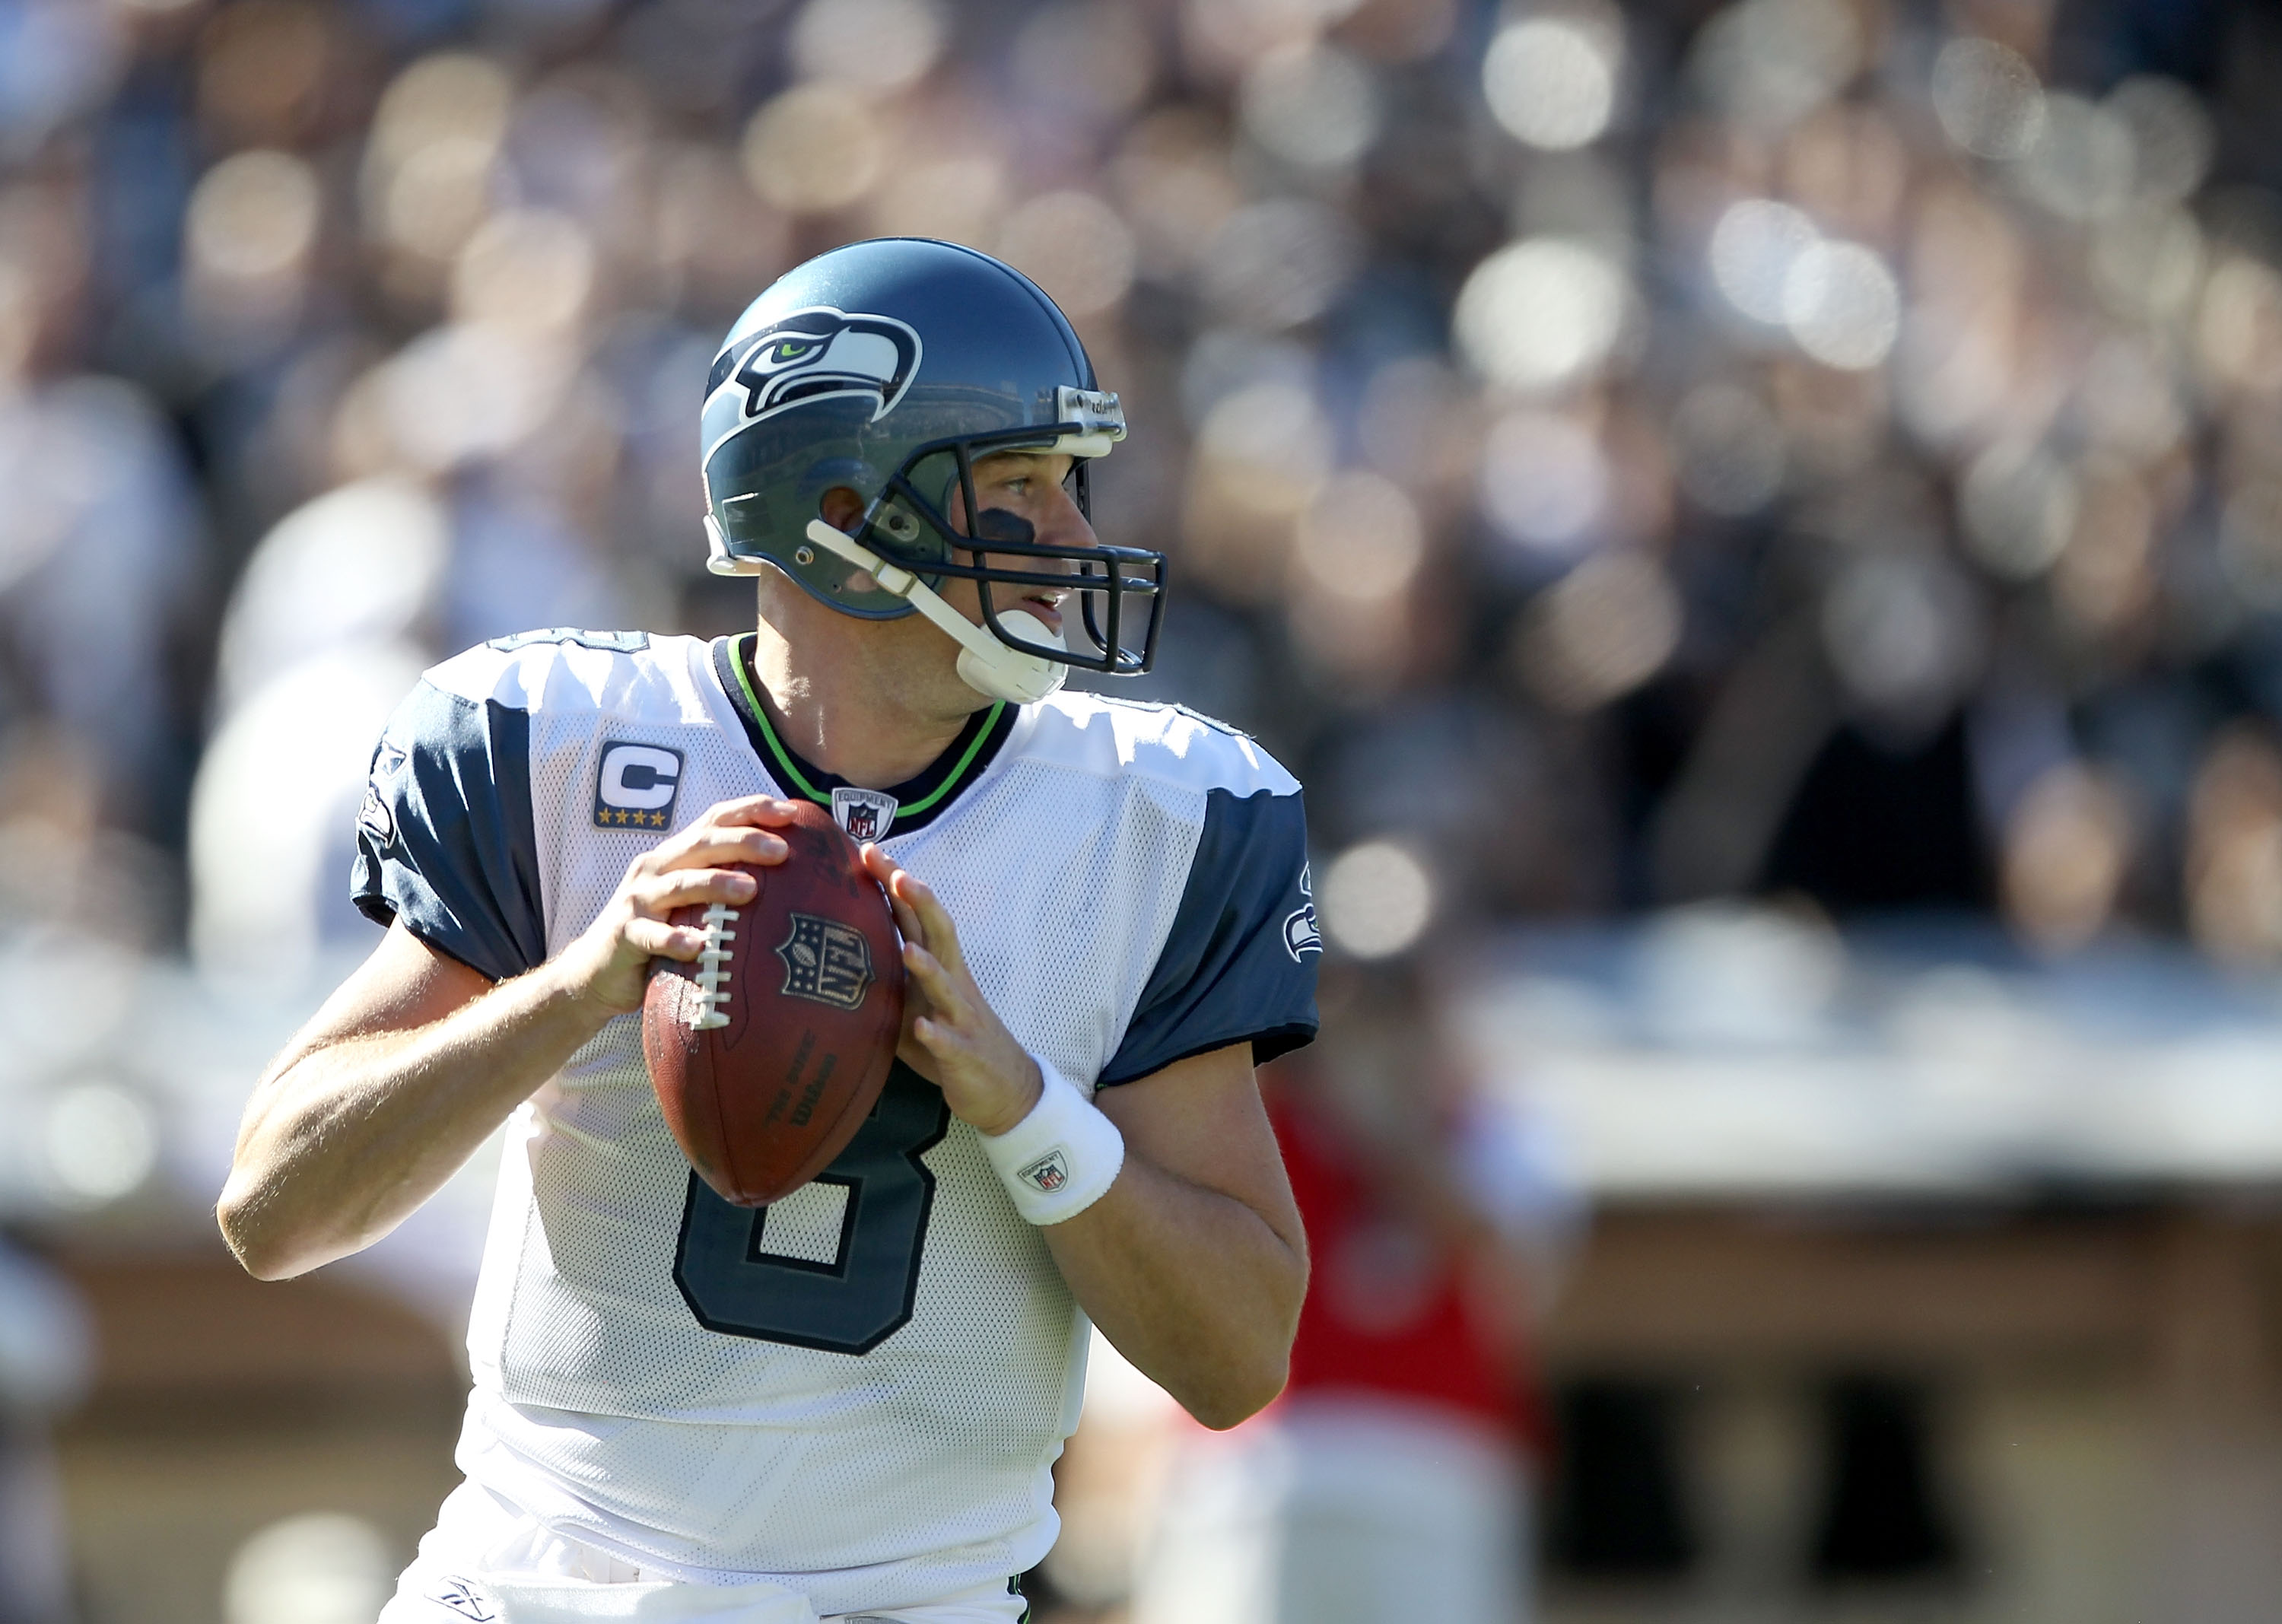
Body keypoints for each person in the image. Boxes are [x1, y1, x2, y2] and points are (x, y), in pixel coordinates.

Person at [216, 239, 1318, 1624]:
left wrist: (1028, 1109)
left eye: (1069, 485)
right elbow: (273, 1207)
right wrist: (578, 990)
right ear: (846, 509)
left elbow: (1238, 1358)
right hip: (550, 1592)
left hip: (922, 1603)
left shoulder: (1161, 816)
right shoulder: (555, 747)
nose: (1075, 541)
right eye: (1018, 489)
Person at [1133, 965, 1580, 1624]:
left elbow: (1507, 1263)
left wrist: (1380, 1124)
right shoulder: (1239, 1128)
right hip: (1255, 1476)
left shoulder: (1499, 1131)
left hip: (1438, 1473)